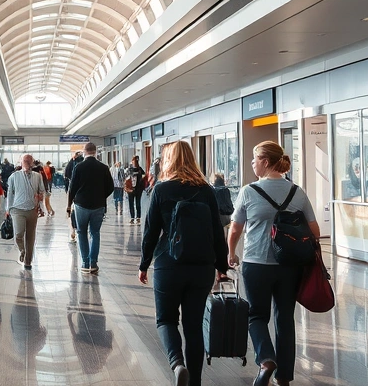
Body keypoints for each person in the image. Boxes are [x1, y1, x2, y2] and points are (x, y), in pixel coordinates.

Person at [227, 141, 319, 386]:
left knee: (256, 315)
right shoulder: (297, 192)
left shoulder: (249, 191)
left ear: (265, 162)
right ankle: (285, 378)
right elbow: (315, 230)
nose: (252, 163)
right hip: (289, 266)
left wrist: (231, 253)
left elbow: (235, 229)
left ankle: (266, 359)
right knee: (285, 318)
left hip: (256, 263)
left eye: (254, 159)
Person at [139, 140, 229, 386]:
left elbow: (151, 232)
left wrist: (144, 264)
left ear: (169, 160)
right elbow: (216, 232)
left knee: (166, 320)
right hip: (201, 267)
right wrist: (222, 267)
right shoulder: (206, 190)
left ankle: (177, 364)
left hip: (169, 264)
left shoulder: (161, 190)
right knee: (193, 325)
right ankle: (195, 382)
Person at [67, 142, 113, 273]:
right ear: (96, 151)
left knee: (81, 232)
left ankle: (85, 263)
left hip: (81, 205)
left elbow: (72, 188)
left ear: (84, 151)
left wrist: (69, 205)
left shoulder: (79, 167)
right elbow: (110, 187)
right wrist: (101, 196)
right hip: (98, 205)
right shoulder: (104, 167)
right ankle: (93, 263)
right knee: (95, 233)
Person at [5, 154, 46, 270]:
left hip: (32, 210)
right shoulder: (14, 176)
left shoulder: (37, 176)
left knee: (30, 236)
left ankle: (28, 261)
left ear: (32, 163)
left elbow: (42, 191)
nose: (27, 162)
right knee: (18, 234)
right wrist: (8, 209)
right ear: (20, 162)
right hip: (17, 210)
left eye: (29, 161)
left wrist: (40, 201)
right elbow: (9, 193)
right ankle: (22, 251)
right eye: (25, 160)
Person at [127, 156, 147, 224]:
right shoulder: (130, 169)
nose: (134, 162)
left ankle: (138, 217)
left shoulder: (139, 169)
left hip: (138, 189)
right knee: (131, 203)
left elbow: (144, 176)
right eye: (133, 161)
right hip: (131, 189)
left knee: (138, 203)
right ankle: (132, 217)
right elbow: (126, 177)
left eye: (135, 161)